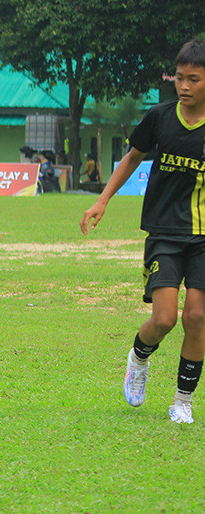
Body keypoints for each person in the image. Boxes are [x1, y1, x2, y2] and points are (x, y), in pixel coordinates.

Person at [81, 39, 205, 425]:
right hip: (165, 233)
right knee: (165, 318)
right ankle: (139, 358)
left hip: (204, 237)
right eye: (179, 79)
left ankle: (182, 402)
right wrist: (102, 200)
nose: (184, 87)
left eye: (194, 80)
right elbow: (132, 156)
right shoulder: (160, 117)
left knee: (197, 317)